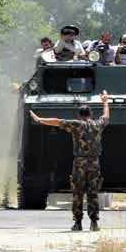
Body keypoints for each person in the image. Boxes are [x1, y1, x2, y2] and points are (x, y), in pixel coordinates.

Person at [28, 91, 110, 231]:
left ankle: (78, 223)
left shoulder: (76, 124)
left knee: (78, 193)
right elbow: (106, 116)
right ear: (90, 114)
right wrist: (105, 102)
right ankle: (94, 223)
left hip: (79, 164)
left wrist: (40, 119)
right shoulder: (97, 125)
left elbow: (58, 121)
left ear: (79, 115)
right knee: (93, 193)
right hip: (94, 163)